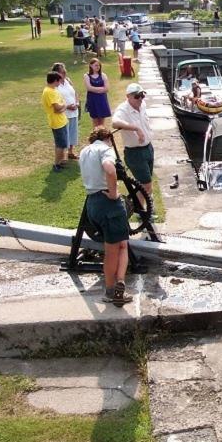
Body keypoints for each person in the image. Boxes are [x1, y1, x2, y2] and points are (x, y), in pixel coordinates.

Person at [78, 127, 133, 307]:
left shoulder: (84, 152)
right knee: (112, 251)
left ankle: (119, 281)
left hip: (92, 204)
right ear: (108, 138)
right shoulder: (105, 149)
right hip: (109, 205)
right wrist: (114, 192)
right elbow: (110, 170)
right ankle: (112, 290)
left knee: (122, 244)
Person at [112, 83, 154, 209]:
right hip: (135, 153)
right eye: (137, 96)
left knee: (145, 183)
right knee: (146, 185)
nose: (140, 99)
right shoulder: (123, 110)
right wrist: (135, 128)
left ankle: (139, 205)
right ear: (128, 97)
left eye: (142, 95)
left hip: (148, 148)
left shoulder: (143, 105)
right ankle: (139, 210)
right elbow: (114, 122)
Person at [40, 71, 68, 173]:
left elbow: (61, 105)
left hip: (61, 120)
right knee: (60, 144)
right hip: (57, 122)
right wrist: (64, 106)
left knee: (62, 143)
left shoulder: (52, 90)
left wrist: (62, 106)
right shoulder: (49, 92)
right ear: (55, 81)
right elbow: (57, 108)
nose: (59, 83)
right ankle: (56, 164)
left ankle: (59, 162)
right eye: (58, 81)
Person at [52, 62, 80, 160]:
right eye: (62, 72)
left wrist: (77, 103)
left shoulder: (68, 80)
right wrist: (68, 106)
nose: (64, 74)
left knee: (73, 133)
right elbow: (55, 101)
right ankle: (63, 156)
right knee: (65, 135)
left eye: (65, 72)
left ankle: (70, 152)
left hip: (74, 112)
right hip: (64, 113)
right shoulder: (55, 85)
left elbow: (75, 92)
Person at [84, 58, 111, 126]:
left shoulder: (103, 75)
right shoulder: (87, 76)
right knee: (95, 122)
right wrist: (101, 89)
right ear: (91, 65)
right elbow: (89, 88)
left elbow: (107, 88)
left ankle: (102, 135)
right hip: (92, 100)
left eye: (99, 65)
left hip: (102, 100)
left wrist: (95, 89)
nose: (98, 67)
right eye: (96, 65)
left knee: (102, 122)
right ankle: (96, 136)